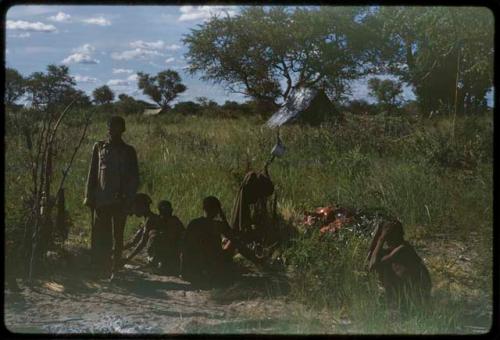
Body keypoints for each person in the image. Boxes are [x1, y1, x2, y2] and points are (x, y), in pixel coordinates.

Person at [84, 116, 139, 278]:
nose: (112, 130)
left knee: (118, 235)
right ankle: (100, 266)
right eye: (110, 127)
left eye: (116, 127)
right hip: (102, 200)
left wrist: (129, 199)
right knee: (101, 234)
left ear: (122, 130)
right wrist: (89, 196)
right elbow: (92, 173)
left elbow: (134, 178)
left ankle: (115, 268)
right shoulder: (99, 147)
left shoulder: (129, 151)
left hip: (121, 201)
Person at [182, 196, 261, 287]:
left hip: (193, 268)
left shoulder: (194, 223)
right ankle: (257, 262)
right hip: (211, 265)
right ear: (217, 210)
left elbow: (185, 246)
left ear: (203, 208)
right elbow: (233, 237)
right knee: (233, 242)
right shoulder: (217, 225)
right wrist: (223, 217)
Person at [367, 219, 432, 311]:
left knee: (386, 268)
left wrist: (381, 238)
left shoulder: (403, 249)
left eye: (388, 235)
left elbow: (372, 266)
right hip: (404, 297)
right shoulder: (391, 251)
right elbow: (370, 257)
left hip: (416, 298)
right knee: (385, 267)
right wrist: (378, 233)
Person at [124, 193, 168, 269]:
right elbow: (133, 241)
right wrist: (114, 250)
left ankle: (153, 263)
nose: (133, 209)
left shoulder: (150, 220)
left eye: (135, 206)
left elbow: (142, 243)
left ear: (142, 206)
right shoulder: (149, 219)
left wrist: (126, 259)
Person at [157, 200, 184, 275]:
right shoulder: (158, 221)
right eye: (165, 210)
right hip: (164, 251)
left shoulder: (175, 220)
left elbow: (183, 234)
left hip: (174, 249)